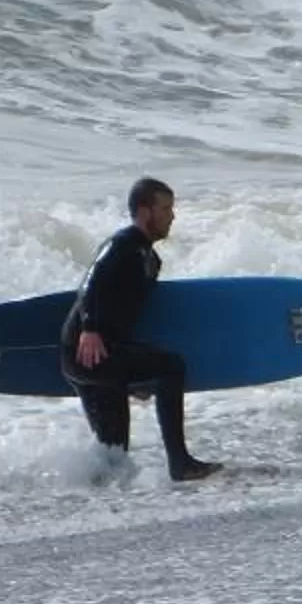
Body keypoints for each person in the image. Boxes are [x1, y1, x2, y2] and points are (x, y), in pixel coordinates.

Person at [62, 177, 218, 482]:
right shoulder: (123, 244)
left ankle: (80, 494)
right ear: (146, 212)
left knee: (114, 453)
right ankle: (180, 463)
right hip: (88, 351)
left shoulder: (149, 258)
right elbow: (93, 280)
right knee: (171, 368)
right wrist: (90, 328)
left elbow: (122, 313)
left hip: (99, 356)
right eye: (166, 208)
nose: (172, 216)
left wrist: (136, 376)